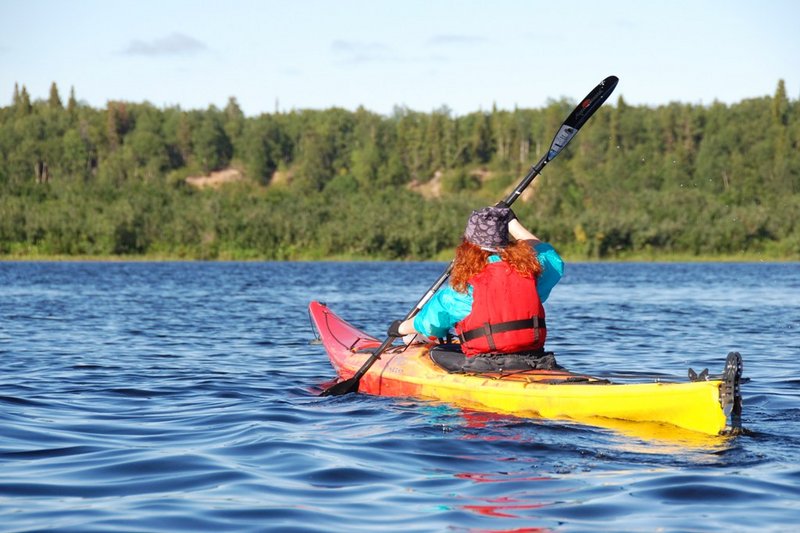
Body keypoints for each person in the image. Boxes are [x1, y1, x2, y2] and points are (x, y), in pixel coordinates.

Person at [387, 204, 564, 373]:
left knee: (434, 352)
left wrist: (400, 328)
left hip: (486, 364)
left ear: (469, 248)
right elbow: (552, 258)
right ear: (507, 244)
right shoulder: (530, 273)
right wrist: (511, 221)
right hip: (534, 359)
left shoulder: (465, 288)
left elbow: (430, 324)